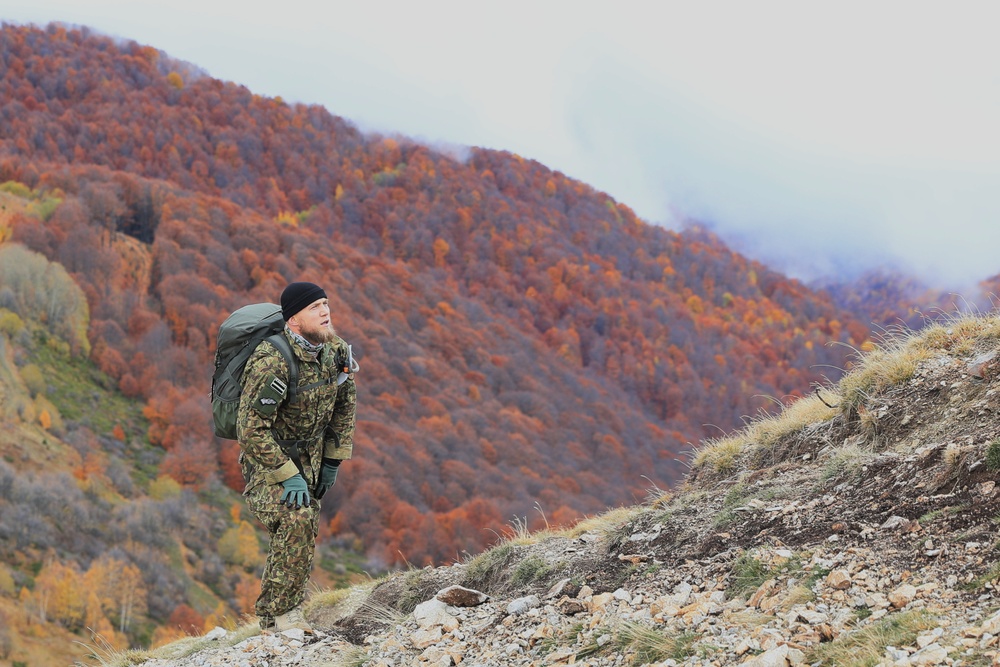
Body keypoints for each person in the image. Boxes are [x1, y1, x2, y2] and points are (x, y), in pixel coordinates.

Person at [237, 281, 357, 634]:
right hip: (268, 462)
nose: (325, 311)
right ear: (293, 321)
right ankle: (284, 615)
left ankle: (274, 618)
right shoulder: (271, 361)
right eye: (315, 307)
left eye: (325, 303)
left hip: (314, 457)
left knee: (303, 523)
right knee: (297, 517)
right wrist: (287, 475)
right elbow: (251, 430)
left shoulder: (334, 350)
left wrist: (333, 461)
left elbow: (346, 404)